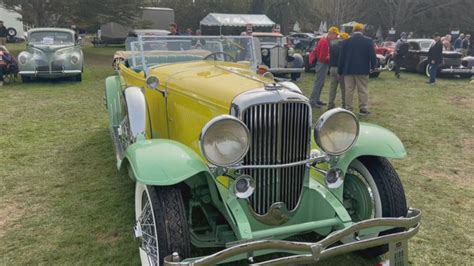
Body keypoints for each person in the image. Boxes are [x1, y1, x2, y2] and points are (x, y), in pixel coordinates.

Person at [338, 23, 377, 116]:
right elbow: (372, 56)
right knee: (362, 90)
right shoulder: (368, 41)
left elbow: (341, 57)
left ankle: (348, 109)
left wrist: (340, 70)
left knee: (349, 90)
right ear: (362, 30)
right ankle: (363, 109)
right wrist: (373, 66)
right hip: (362, 70)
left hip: (348, 70)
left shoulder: (346, 42)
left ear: (353, 30)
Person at [309, 26, 339, 108]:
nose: (336, 37)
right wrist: (332, 57)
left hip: (323, 64)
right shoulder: (324, 42)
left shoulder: (325, 41)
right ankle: (312, 101)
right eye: (336, 35)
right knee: (318, 83)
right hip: (322, 64)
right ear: (331, 34)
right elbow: (322, 57)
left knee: (321, 83)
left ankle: (317, 99)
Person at [327, 32, 348, 110]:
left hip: (332, 68)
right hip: (340, 69)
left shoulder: (333, 45)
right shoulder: (344, 47)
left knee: (332, 88)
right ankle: (344, 105)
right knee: (343, 88)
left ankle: (330, 104)